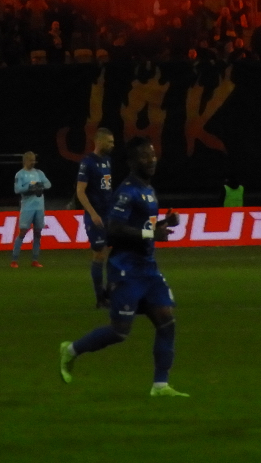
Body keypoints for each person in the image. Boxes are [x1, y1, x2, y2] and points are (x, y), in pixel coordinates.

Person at [59, 137, 187, 397]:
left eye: (152, 155)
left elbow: (142, 227)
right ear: (131, 162)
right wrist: (152, 235)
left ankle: (160, 386)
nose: (151, 160)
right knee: (119, 332)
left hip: (148, 269)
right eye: (144, 156)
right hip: (126, 270)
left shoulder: (147, 189)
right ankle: (71, 350)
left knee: (166, 321)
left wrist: (163, 223)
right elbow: (114, 231)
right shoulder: (126, 192)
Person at [75, 126, 117, 307]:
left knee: (115, 253)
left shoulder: (107, 160)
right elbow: (80, 191)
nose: (112, 145)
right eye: (109, 142)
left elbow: (107, 188)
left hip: (110, 215)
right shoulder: (87, 162)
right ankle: (100, 298)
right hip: (96, 217)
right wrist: (92, 214)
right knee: (99, 254)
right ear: (98, 141)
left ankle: (109, 292)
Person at [9, 150, 51, 268]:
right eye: (31, 160)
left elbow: (48, 184)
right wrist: (30, 187)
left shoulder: (39, 173)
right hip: (27, 207)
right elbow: (17, 189)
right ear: (25, 161)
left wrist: (40, 186)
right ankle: (14, 260)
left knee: (38, 233)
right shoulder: (20, 174)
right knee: (22, 232)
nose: (33, 163)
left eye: (34, 160)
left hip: (39, 207)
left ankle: (35, 260)